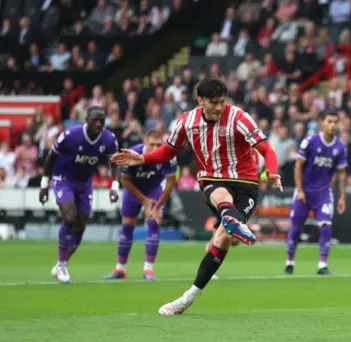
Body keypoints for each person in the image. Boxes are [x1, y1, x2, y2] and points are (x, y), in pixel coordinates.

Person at [111, 78, 282, 315]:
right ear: (200, 100)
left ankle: (189, 296)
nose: (219, 107)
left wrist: (272, 171)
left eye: (222, 101)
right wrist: (142, 158)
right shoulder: (186, 122)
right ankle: (232, 221)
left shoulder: (239, 118)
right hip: (211, 178)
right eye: (214, 103)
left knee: (221, 241)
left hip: (245, 182)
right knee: (221, 196)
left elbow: (266, 149)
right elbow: (169, 150)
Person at [39, 106, 120, 283]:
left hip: (84, 184)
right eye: (95, 120)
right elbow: (51, 156)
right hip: (63, 179)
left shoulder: (109, 139)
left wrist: (114, 186)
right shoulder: (71, 135)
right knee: (70, 217)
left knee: (80, 225)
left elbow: (115, 161)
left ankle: (62, 263)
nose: (99, 123)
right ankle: (61, 265)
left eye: (102, 120)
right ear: (86, 121)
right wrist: (44, 184)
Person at [104, 130, 178, 281]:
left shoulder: (169, 155)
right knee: (127, 227)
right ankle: (120, 268)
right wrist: (144, 200)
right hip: (133, 191)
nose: (156, 148)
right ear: (144, 142)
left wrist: (157, 207)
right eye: (152, 144)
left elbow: (171, 182)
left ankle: (148, 270)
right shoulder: (133, 154)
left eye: (159, 144)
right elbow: (125, 180)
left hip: (154, 190)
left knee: (154, 223)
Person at [284, 112, 347, 275]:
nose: (332, 125)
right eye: (329, 121)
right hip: (304, 191)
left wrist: (342, 197)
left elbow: (341, 173)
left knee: (326, 225)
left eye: (335, 122)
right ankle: (289, 262)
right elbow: (298, 166)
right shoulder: (310, 142)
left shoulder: (340, 147)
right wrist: (299, 190)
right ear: (322, 124)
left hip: (323, 192)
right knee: (296, 228)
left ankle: (322, 265)